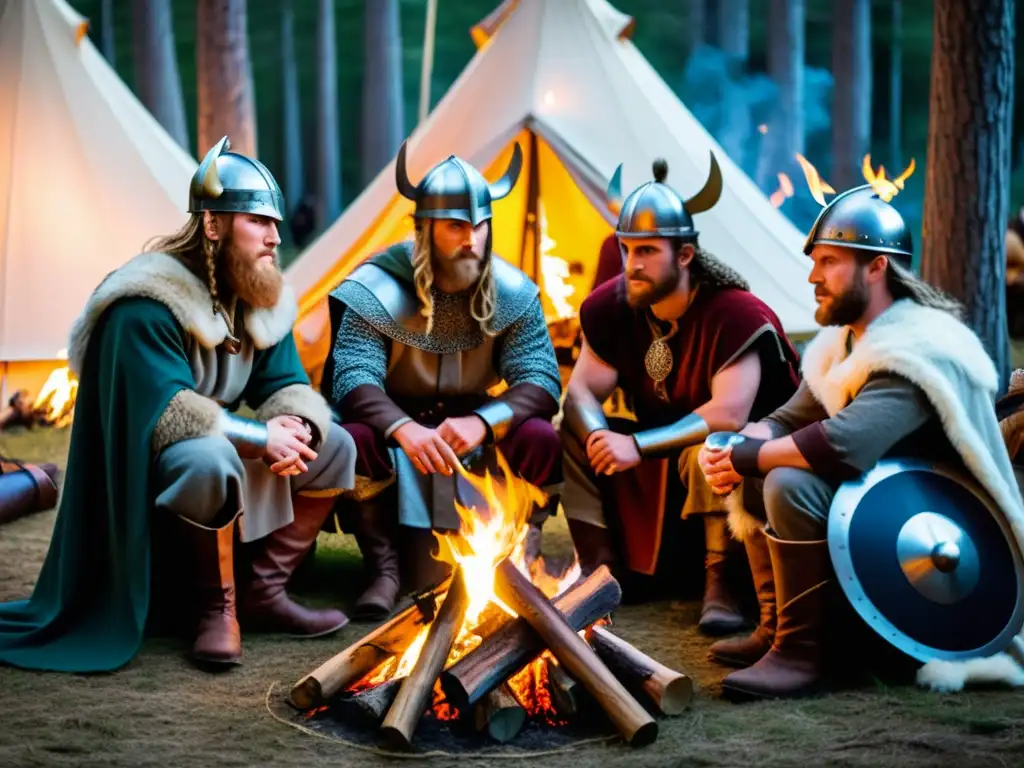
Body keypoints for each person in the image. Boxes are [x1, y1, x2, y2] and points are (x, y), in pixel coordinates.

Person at [0, 136, 357, 673]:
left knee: (335, 444)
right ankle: (217, 608)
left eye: (275, 224)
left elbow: (283, 379)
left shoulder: (256, 294)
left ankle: (264, 588)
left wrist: (295, 420)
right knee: (206, 458)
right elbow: (168, 413)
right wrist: (264, 438)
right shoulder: (143, 304)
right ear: (212, 225)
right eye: (258, 221)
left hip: (228, 454)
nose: (275, 236)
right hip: (153, 481)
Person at [698, 183, 1024, 699]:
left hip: (941, 546)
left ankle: (801, 654)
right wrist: (731, 444)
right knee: (763, 465)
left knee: (785, 480)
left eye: (828, 262)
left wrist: (749, 454)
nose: (813, 277)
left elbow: (844, 445)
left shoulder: (918, 350)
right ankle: (776, 628)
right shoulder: (846, 342)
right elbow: (786, 419)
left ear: (876, 267)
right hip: (883, 525)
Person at [321, 141, 564, 619]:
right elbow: (352, 376)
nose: (471, 238)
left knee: (538, 436)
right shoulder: (375, 287)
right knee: (355, 438)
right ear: (423, 228)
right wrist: (402, 428)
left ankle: (520, 554)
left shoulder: (512, 292)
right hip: (398, 426)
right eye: (456, 226)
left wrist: (486, 419)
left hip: (473, 423)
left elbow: (540, 377)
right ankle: (384, 567)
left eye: (480, 225)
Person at [559, 155, 801, 633]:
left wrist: (636, 446)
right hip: (661, 462)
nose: (632, 264)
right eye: (627, 249)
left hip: (747, 461)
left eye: (647, 251)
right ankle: (600, 568)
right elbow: (582, 392)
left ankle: (722, 583)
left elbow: (728, 414)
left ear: (685, 256)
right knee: (571, 430)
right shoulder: (614, 307)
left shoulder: (734, 313)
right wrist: (598, 435)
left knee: (709, 447)